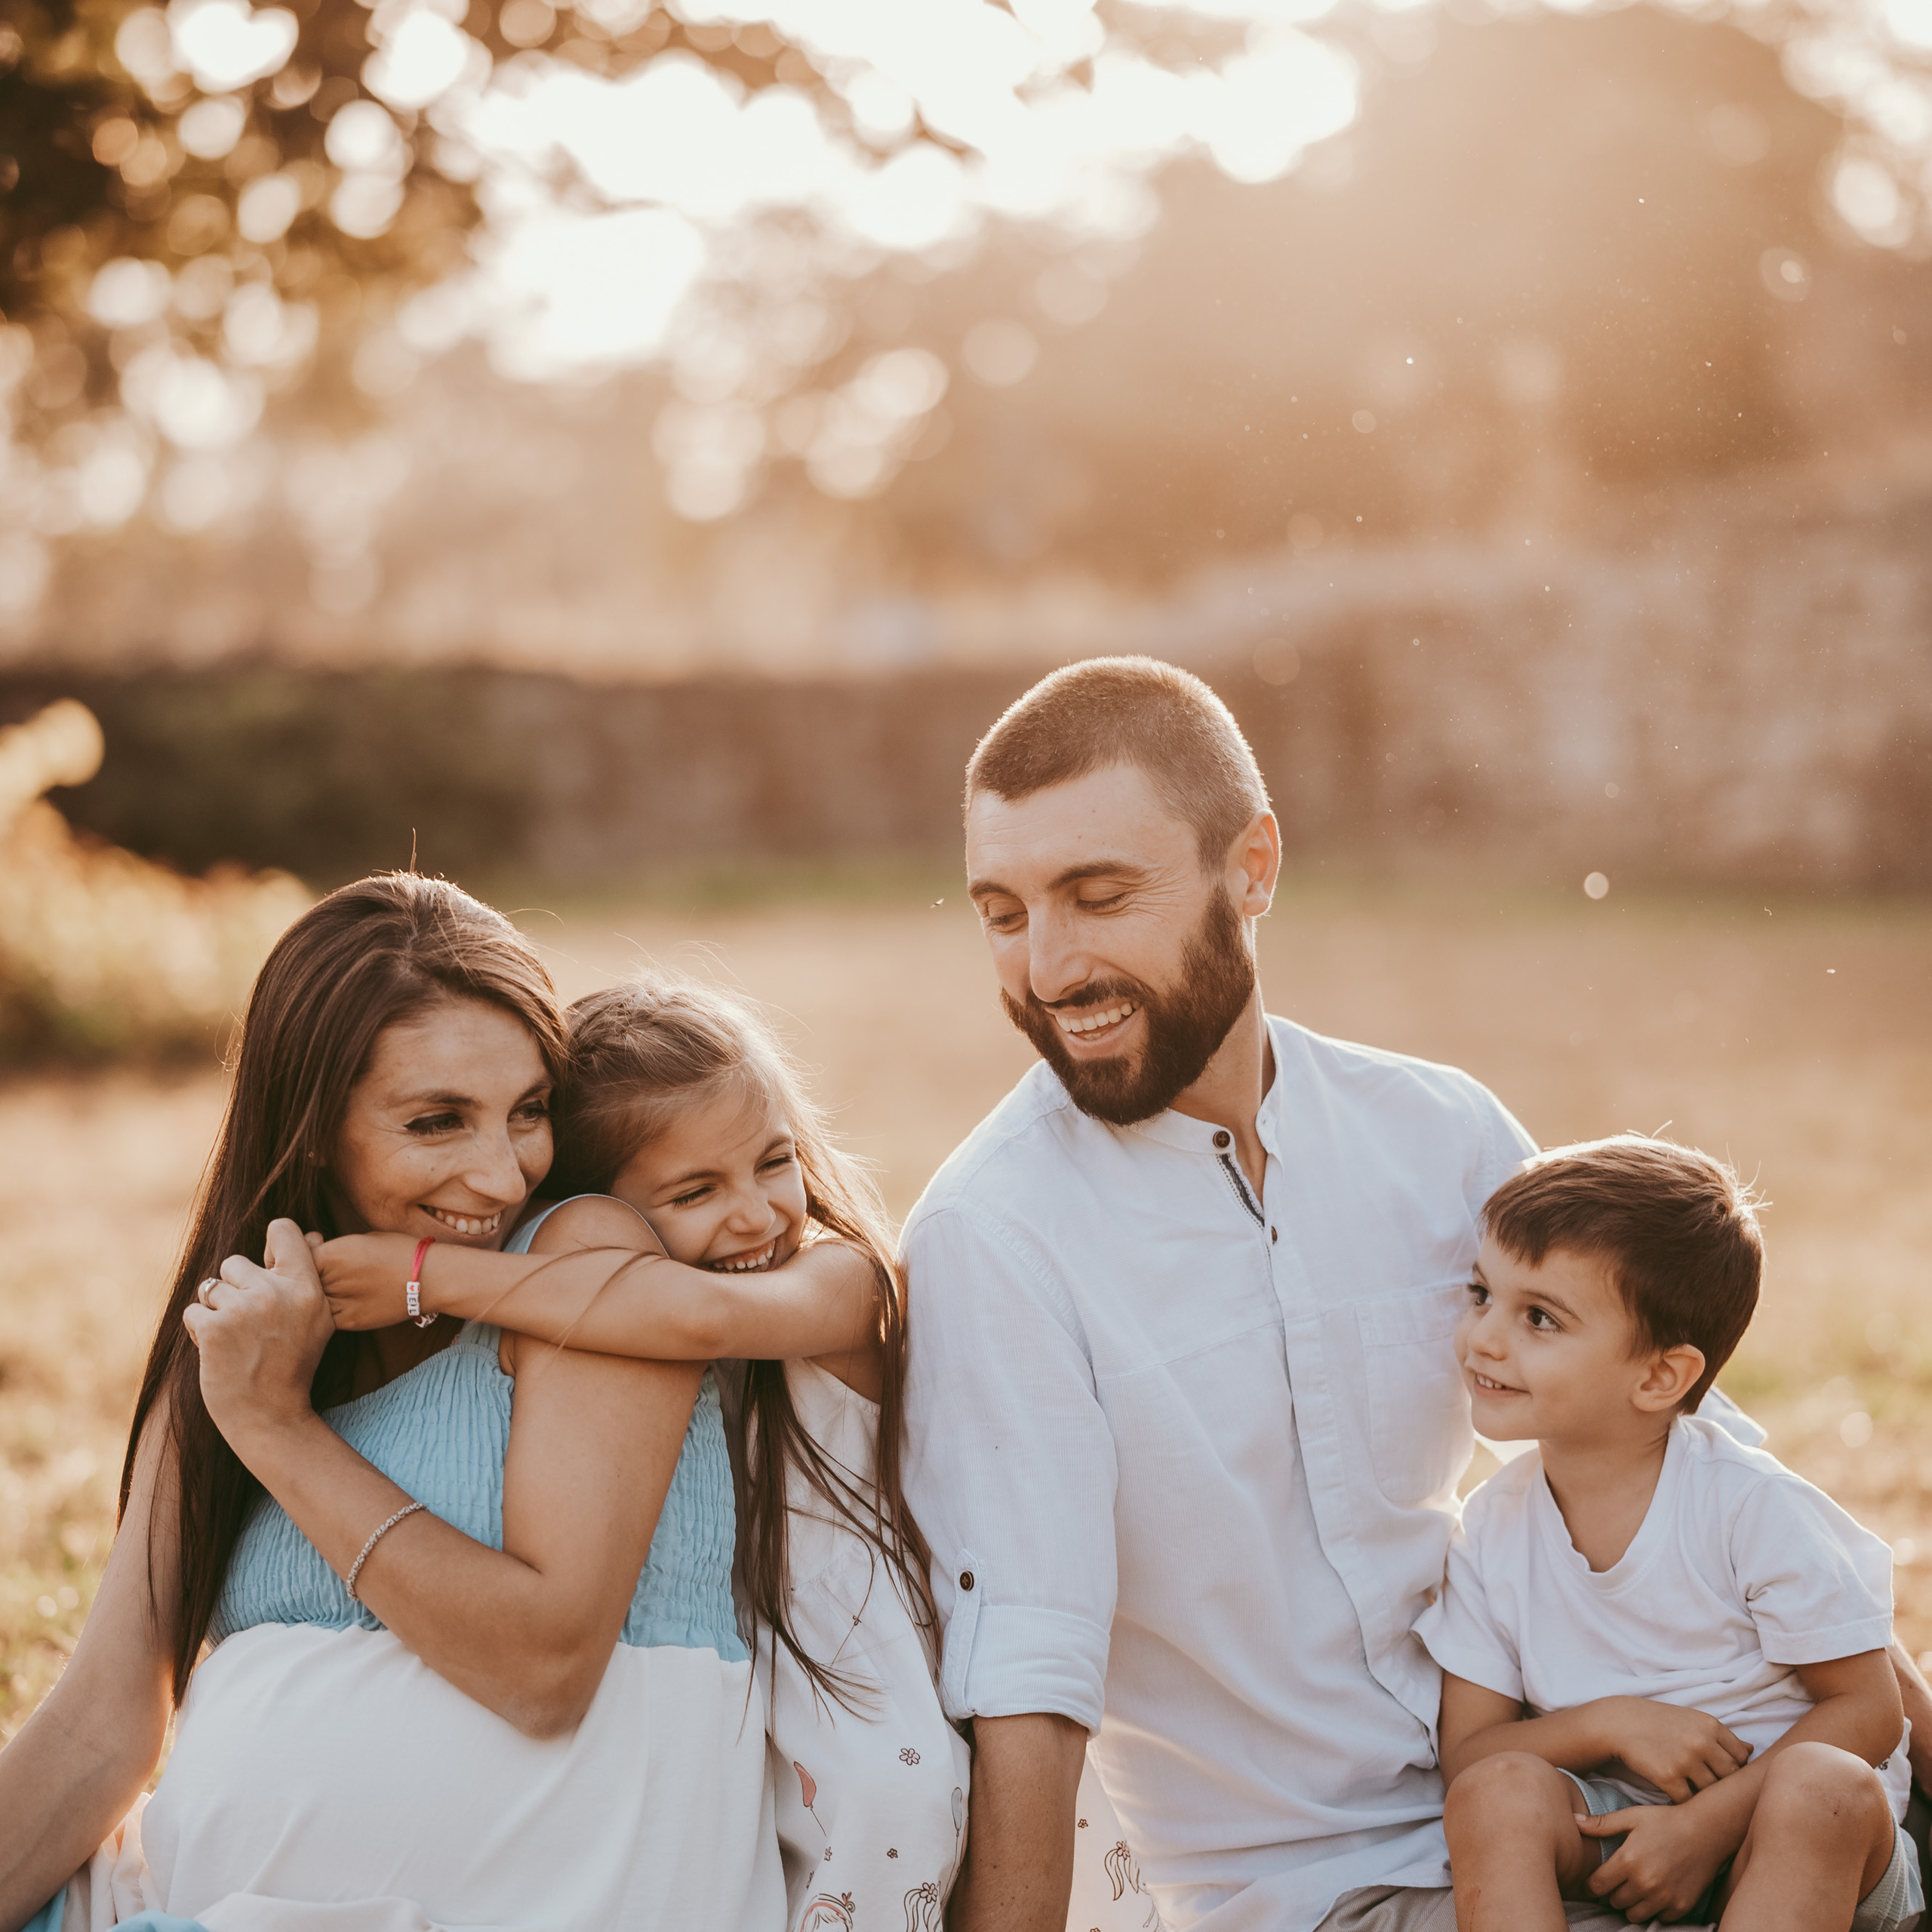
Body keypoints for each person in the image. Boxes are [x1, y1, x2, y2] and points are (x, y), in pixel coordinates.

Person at [895, 656, 1932, 1932]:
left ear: (1254, 868)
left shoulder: (1437, 1130)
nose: (1049, 967)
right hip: (1324, 1884)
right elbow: (1027, 1682)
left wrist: (1901, 1726)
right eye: (1003, 913)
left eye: (1100, 897)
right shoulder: (994, 1238)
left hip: (1597, 1804)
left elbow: (1682, 1436)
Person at [0, 875, 784, 1932]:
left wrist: (278, 1429)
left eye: (529, 1112)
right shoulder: (239, 1351)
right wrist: (252, 1395)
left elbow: (543, 1665)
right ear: (314, 1127)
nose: (502, 1175)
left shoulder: (584, 1273)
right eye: (436, 1123)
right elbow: (103, 1728)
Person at [313, 972, 971, 1932]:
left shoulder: (840, 1281)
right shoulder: (611, 1324)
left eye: (772, 1160)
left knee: (889, 1829)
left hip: (868, 1691)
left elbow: (698, 1315)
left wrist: (429, 1276)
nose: (754, 1214)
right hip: (746, 1692)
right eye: (696, 1189)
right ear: (604, 1217)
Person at [1420, 1136, 1921, 1932]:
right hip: (1618, 1831)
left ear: (1658, 1377)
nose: (1484, 1337)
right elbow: (1471, 1757)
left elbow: (1867, 1711)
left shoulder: (1747, 1504)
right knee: (1495, 1795)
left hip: (1804, 1843)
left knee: (1821, 1786)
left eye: (1539, 1317)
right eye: (1483, 1294)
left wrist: (1703, 1827)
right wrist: (1611, 1721)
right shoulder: (1490, 1531)